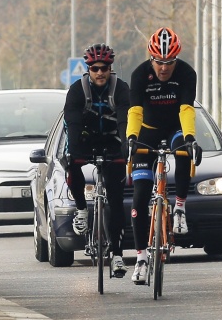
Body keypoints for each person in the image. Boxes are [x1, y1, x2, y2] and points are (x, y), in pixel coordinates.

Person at [126, 27, 202, 285]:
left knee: (183, 151)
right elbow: (135, 110)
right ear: (151, 58)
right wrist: (131, 139)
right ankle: (140, 258)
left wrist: (190, 138)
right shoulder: (139, 74)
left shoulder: (186, 73)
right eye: (159, 62)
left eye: (169, 62)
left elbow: (186, 108)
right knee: (139, 197)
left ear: (176, 59)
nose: (164, 68)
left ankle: (179, 207)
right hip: (146, 132)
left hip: (175, 128)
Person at [63, 43, 131, 278]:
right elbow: (71, 122)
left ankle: (118, 255)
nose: (100, 72)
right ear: (88, 69)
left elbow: (125, 121)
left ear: (110, 68)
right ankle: (82, 209)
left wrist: (126, 148)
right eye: (94, 68)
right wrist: (73, 152)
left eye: (104, 68)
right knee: (71, 162)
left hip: (113, 142)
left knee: (115, 198)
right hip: (85, 139)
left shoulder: (121, 89)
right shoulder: (77, 90)